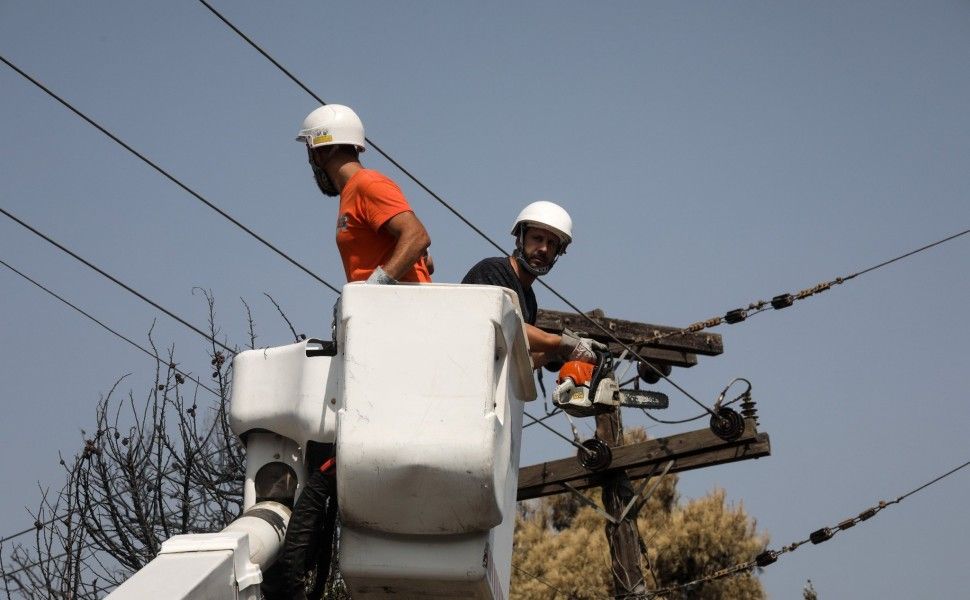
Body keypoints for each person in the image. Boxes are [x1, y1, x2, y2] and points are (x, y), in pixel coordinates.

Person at [295, 104, 432, 284]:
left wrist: (373, 288)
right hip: (385, 306)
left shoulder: (368, 184)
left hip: (402, 307)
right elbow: (427, 262)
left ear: (319, 152)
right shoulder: (353, 192)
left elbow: (417, 237)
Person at [462, 201, 603, 366]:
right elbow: (507, 325)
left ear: (558, 252)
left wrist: (555, 353)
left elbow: (522, 359)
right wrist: (562, 342)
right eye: (537, 238)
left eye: (551, 244)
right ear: (519, 239)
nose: (543, 248)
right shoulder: (494, 270)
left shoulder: (530, 301)